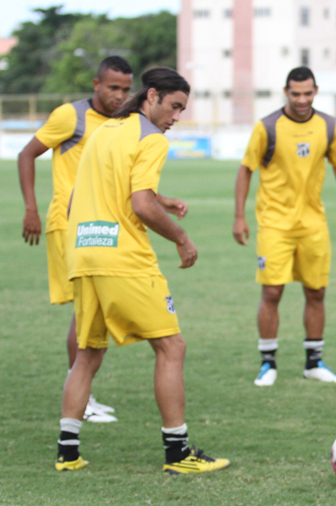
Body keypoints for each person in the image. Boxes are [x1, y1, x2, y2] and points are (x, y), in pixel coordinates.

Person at [56, 67, 229, 474]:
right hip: (123, 258)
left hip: (84, 253)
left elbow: (82, 197)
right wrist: (182, 238)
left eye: (182, 109)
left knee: (86, 354)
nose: (177, 117)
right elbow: (139, 205)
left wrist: (160, 198)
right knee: (172, 347)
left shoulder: (105, 132)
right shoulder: (151, 138)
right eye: (174, 106)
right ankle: (178, 452)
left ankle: (67, 453)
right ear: (152, 96)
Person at [18, 56, 133, 423]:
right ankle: (81, 401)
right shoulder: (71, 116)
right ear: (96, 84)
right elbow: (27, 154)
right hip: (68, 223)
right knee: (87, 310)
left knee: (90, 310)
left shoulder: (121, 122)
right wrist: (31, 209)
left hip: (99, 227)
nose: (120, 95)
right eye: (113, 87)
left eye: (126, 89)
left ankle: (83, 397)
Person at [233, 66, 336, 387]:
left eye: (307, 93)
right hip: (274, 224)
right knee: (272, 291)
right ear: (286, 92)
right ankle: (267, 363)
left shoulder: (329, 126)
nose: (301, 100)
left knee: (316, 292)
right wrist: (239, 216)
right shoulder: (268, 127)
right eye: (295, 93)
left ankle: (313, 362)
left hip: (314, 224)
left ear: (315, 91)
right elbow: (246, 169)